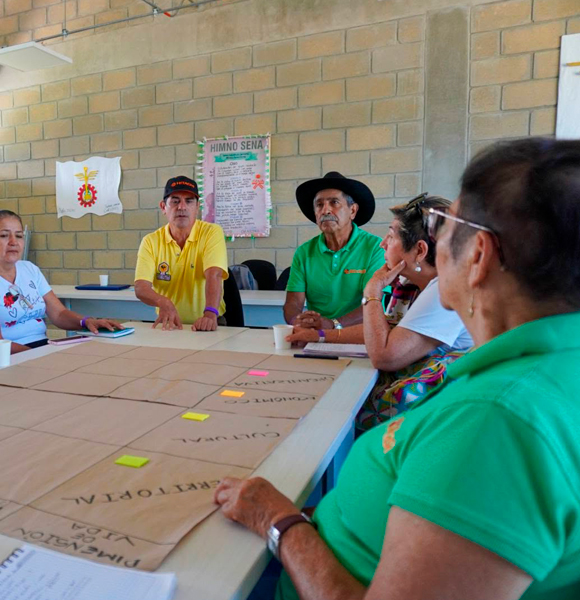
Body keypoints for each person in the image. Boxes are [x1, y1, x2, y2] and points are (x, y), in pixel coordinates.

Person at [215, 138, 580, 600]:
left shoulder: (497, 424)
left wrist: (278, 520)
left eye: (446, 228)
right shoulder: (545, 366)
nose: (423, 249)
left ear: (479, 255)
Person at [287, 194, 473, 428]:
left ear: (420, 251)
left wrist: (372, 289)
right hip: (419, 389)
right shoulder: (411, 285)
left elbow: (384, 354)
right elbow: (386, 332)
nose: (382, 243)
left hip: (440, 411)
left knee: (330, 413)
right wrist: (320, 336)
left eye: (391, 236)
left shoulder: (444, 290)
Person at [0, 210, 123, 362]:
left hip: (39, 349)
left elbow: (59, 314)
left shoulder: (30, 269)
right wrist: (42, 356)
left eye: (19, 236)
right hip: (0, 360)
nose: (13, 242)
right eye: (4, 235)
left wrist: (87, 321)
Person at [283, 172, 385, 331]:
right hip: (317, 335)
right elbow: (294, 302)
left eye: (334, 203)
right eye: (319, 205)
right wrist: (297, 322)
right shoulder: (304, 252)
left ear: (352, 211)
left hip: (362, 336)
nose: (325, 210)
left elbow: (375, 302)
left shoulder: (374, 248)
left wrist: (333, 324)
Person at [134, 176, 229, 331]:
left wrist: (210, 315)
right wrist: (162, 301)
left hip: (208, 321)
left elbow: (214, 275)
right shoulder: (150, 241)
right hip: (168, 324)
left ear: (197, 207)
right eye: (175, 201)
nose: (182, 207)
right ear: (163, 207)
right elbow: (140, 287)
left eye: (189, 201)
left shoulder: (212, 232)